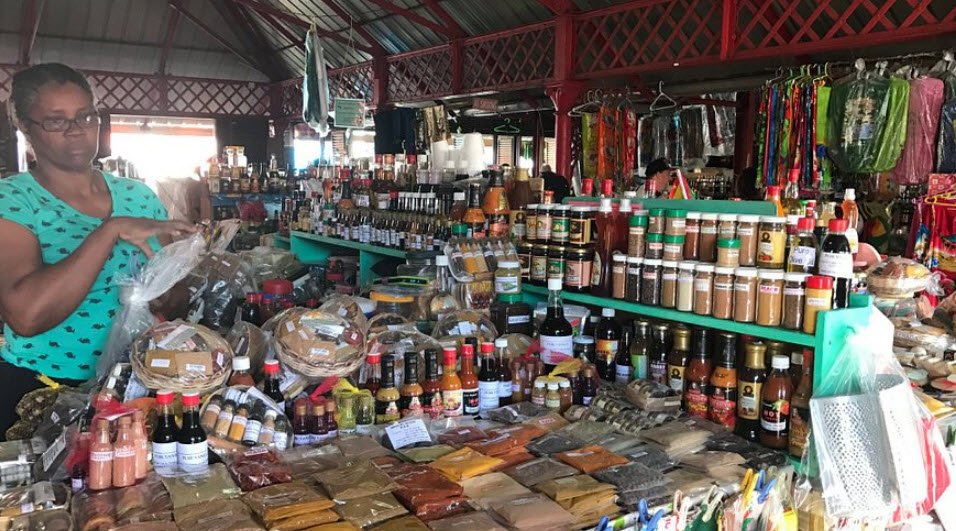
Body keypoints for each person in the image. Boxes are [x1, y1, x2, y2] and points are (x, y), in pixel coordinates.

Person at [0, 63, 194, 438]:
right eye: (55, 121)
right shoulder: (13, 200)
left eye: (85, 116)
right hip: (44, 388)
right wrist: (109, 231)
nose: (76, 129)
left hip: (135, 385)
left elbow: (177, 299)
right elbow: (25, 316)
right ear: (25, 128)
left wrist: (168, 289)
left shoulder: (138, 196)